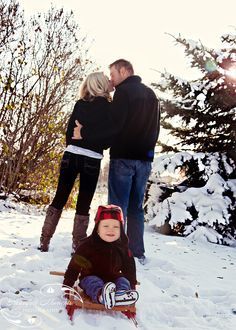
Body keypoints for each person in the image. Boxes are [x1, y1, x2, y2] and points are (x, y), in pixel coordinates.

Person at [73, 59, 160, 264]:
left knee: (116, 207)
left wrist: (85, 132)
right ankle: (137, 252)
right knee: (136, 207)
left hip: (124, 158)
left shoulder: (124, 92)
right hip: (145, 160)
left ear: (123, 71)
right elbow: (156, 129)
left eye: (112, 74)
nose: (111, 79)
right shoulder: (151, 94)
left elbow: (114, 125)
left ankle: (114, 250)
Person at [39, 72, 113, 253]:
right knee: (84, 202)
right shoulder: (108, 109)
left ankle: (44, 240)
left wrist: (78, 140)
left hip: (70, 155)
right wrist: (89, 140)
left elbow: (69, 134)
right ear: (102, 85)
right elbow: (105, 142)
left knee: (60, 197)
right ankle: (77, 244)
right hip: (92, 159)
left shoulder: (80, 104)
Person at [63, 204, 138, 309]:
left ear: (121, 229)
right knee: (93, 283)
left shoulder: (122, 247)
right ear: (97, 228)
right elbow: (74, 266)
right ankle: (101, 296)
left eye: (115, 227)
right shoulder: (87, 245)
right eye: (106, 226)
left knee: (123, 281)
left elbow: (129, 267)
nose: (111, 230)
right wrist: (68, 285)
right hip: (91, 276)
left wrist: (132, 285)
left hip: (113, 278)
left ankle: (121, 295)